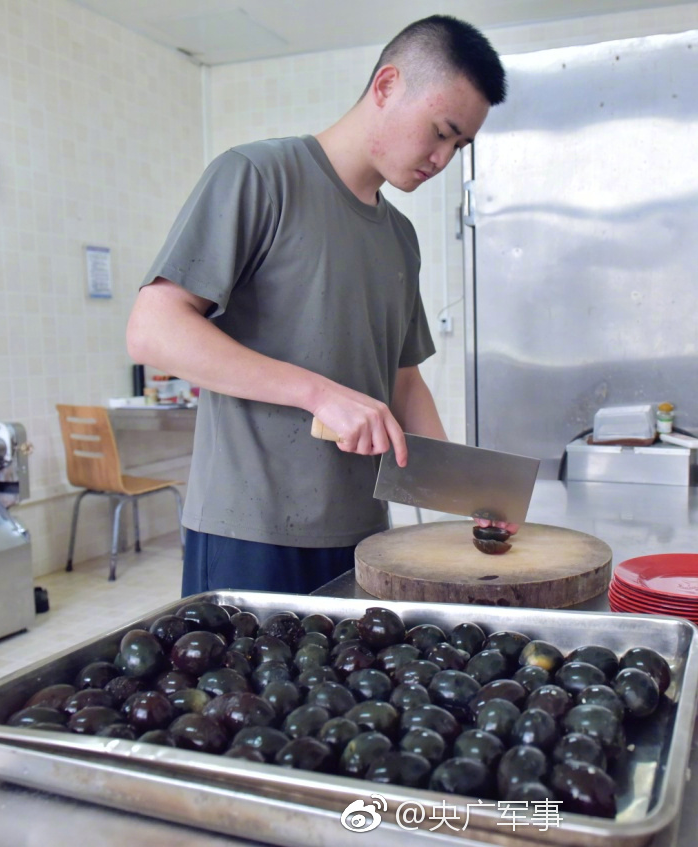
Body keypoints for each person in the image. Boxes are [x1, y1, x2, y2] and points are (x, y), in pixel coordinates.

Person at [126, 16, 510, 597]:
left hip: (361, 533)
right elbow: (152, 329)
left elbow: (403, 382)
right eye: (439, 130)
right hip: (249, 533)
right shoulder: (257, 176)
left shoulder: (400, 236)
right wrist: (318, 392)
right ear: (385, 86)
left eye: (459, 145)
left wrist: (467, 497)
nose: (442, 158)